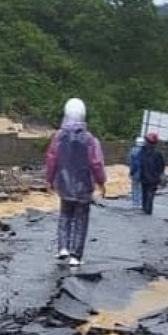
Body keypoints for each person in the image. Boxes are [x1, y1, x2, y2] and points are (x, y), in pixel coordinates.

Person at [45, 97, 107, 267]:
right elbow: (96, 163)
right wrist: (101, 182)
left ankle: (62, 247)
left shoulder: (58, 137)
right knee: (81, 220)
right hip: (84, 187)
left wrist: (49, 180)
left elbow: (52, 160)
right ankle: (76, 256)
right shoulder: (90, 140)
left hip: (64, 185)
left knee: (64, 216)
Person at [140, 132, 166, 215]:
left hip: (153, 178)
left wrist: (161, 176)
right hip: (145, 177)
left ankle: (148, 209)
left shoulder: (157, 153)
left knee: (150, 194)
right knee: (145, 193)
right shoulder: (143, 151)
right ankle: (145, 208)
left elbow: (161, 166)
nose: (146, 142)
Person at [127, 136, 145, 207]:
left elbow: (130, 161)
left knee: (134, 187)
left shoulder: (132, 150)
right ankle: (141, 203)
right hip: (143, 173)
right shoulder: (145, 151)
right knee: (142, 188)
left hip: (135, 173)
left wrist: (131, 172)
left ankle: (135, 203)